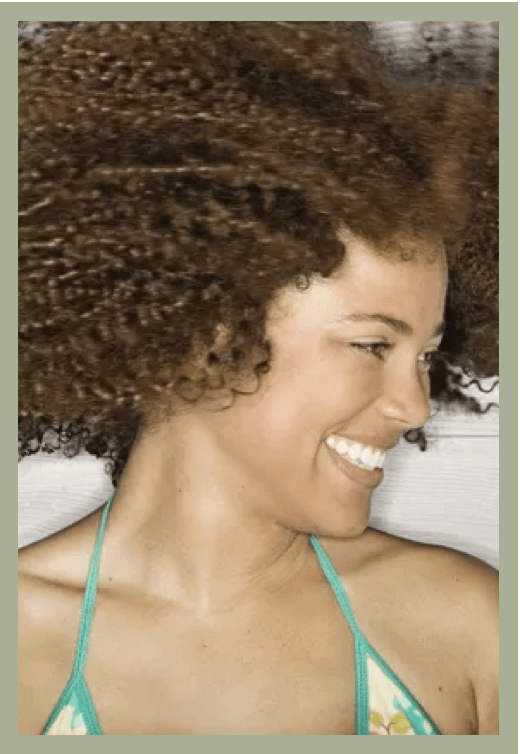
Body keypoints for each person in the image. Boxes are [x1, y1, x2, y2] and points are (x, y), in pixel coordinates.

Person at [18, 22, 499, 735]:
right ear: (208, 334)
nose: (414, 406)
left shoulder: (470, 630)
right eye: (372, 345)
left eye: (425, 357)